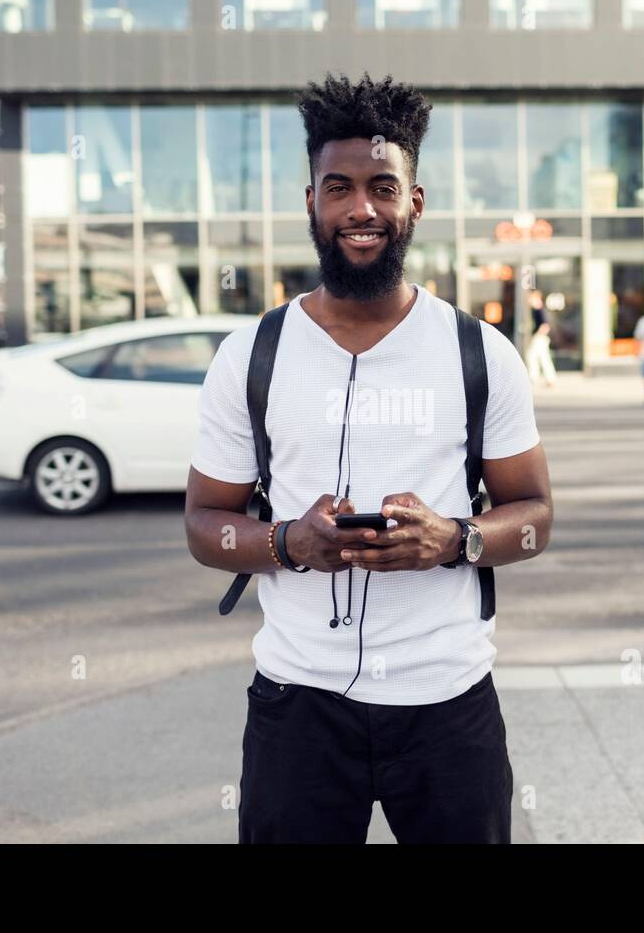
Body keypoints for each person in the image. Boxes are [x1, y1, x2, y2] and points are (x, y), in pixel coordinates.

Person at [185, 73, 553, 844]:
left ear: (414, 203)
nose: (362, 209)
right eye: (339, 187)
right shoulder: (252, 354)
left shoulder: (478, 353)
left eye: (383, 187)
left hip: (448, 705)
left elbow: (536, 516)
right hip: (298, 707)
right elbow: (203, 525)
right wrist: (290, 543)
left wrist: (454, 540)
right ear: (312, 201)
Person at [525, 289, 557, 388]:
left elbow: (545, 326)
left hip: (539, 338)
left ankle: (537, 378)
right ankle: (545, 378)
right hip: (540, 338)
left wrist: (537, 335)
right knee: (540, 358)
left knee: (534, 357)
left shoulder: (539, 310)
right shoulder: (537, 310)